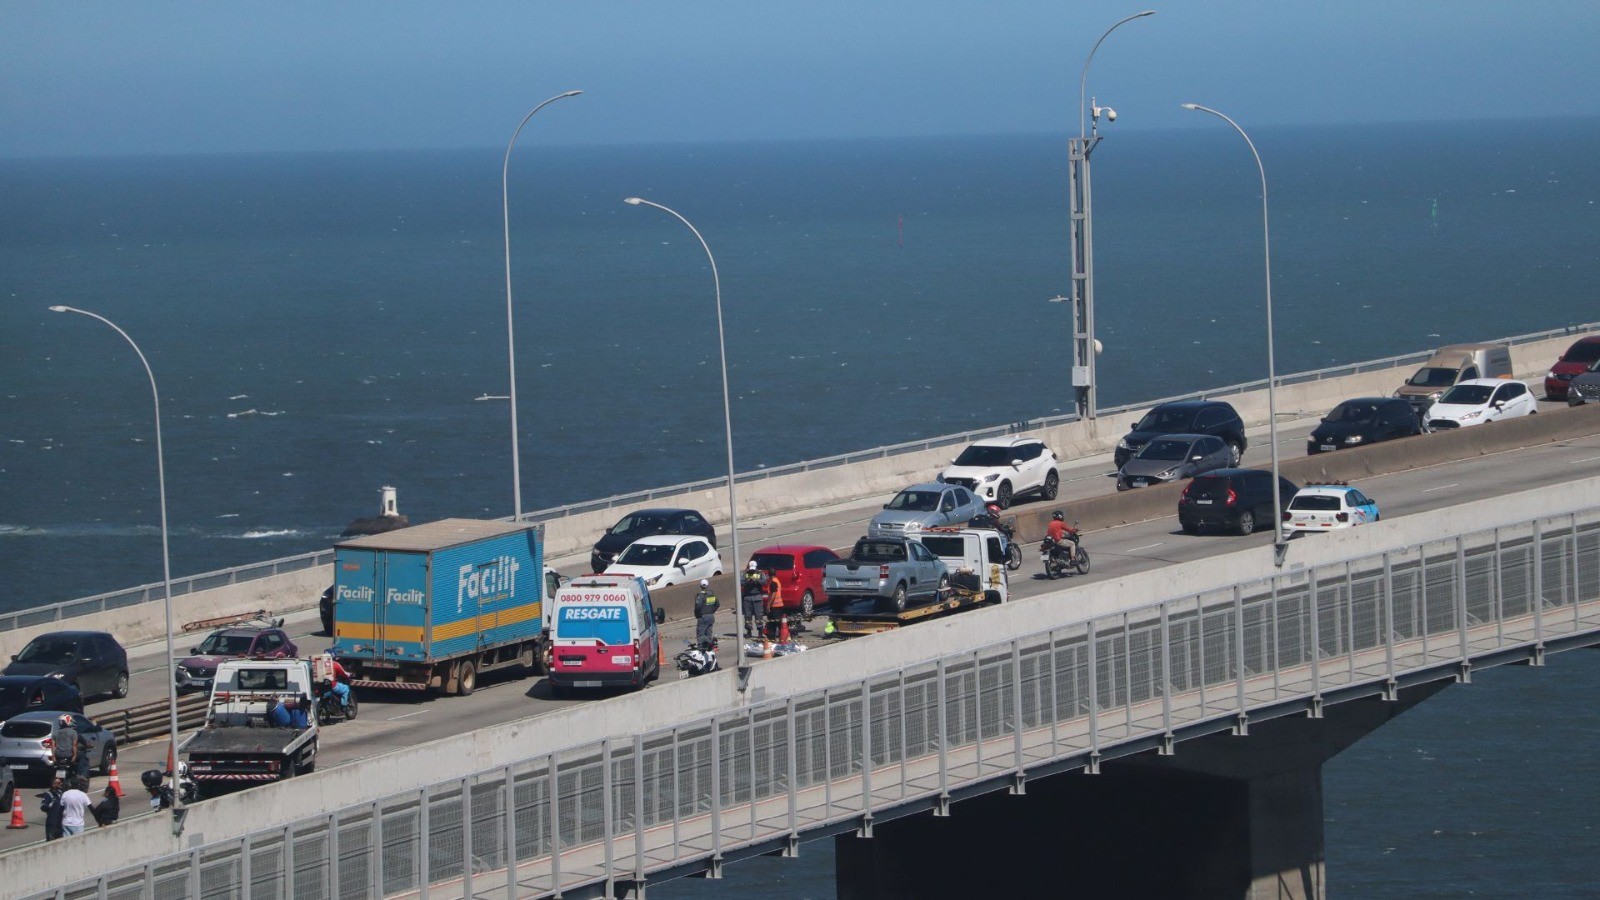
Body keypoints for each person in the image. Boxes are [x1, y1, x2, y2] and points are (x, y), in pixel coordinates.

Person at [739, 561, 768, 639]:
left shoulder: (760, 573)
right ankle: (749, 631)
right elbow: (741, 582)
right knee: (747, 616)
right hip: (747, 598)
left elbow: (764, 582)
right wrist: (748, 582)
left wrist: (756, 581)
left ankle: (760, 632)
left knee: (759, 616)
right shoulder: (745, 573)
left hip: (757, 597)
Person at [693, 578, 719, 648]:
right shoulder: (712, 595)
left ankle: (702, 648)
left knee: (700, 634)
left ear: (700, 586)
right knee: (709, 633)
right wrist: (711, 611)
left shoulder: (700, 595)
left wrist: (698, 614)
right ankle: (709, 647)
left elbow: (698, 606)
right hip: (711, 616)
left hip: (703, 616)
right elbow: (717, 604)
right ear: (707, 585)